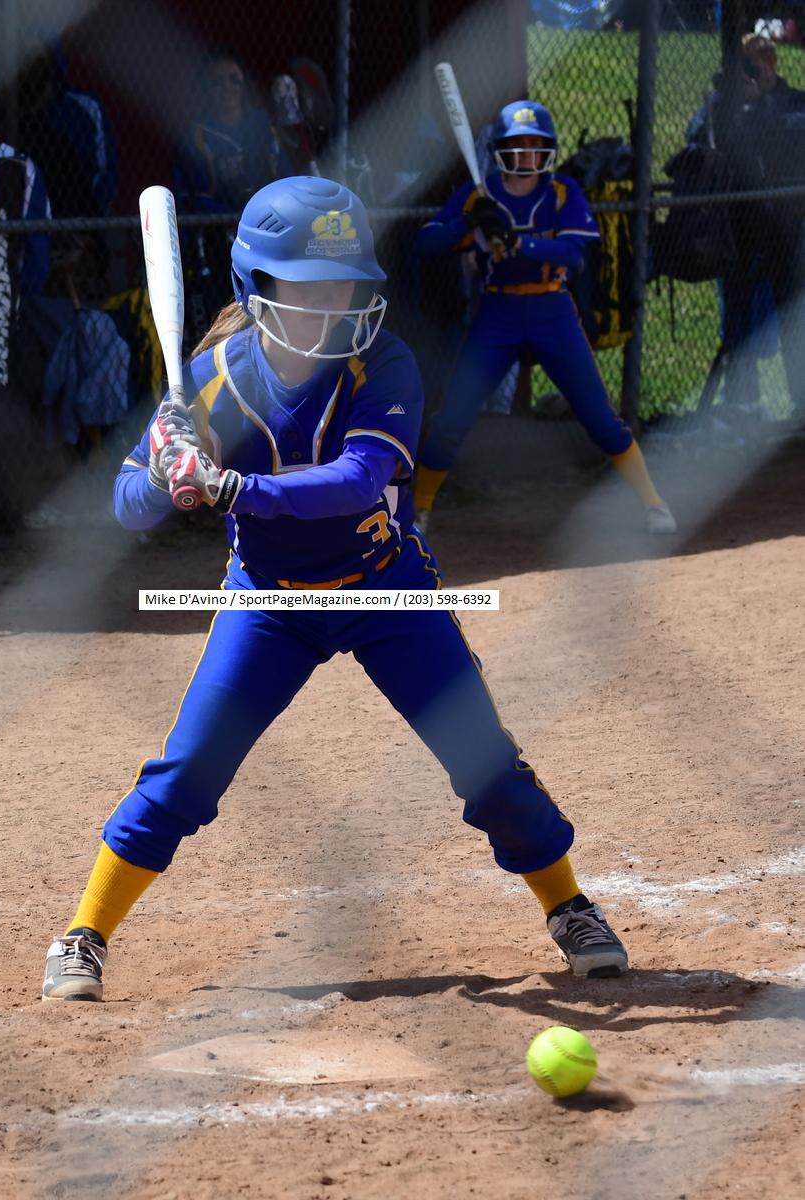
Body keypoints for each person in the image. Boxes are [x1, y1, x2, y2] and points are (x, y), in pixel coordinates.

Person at [40, 175, 630, 1002]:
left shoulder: (381, 363)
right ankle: (84, 933)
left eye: (344, 285)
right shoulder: (210, 380)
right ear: (257, 286)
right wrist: (167, 474)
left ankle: (569, 906)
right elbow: (126, 505)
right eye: (308, 286)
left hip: (386, 590)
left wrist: (229, 487)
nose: (332, 303)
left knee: (486, 763)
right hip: (270, 604)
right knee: (188, 771)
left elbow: (357, 482)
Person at [412, 100, 677, 536]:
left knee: (600, 417)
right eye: (518, 146)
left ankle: (653, 503)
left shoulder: (562, 192)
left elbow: (572, 253)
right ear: (500, 150)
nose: (528, 155)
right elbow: (426, 243)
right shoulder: (481, 195)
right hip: (497, 313)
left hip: (552, 310)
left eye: (536, 146)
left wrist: (519, 243)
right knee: (452, 418)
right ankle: (419, 512)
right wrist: (469, 223)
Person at [686, 33, 805, 419]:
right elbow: (695, 138)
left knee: (793, 315)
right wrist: (723, 103)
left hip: (789, 225)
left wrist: (760, 106)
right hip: (739, 225)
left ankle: (800, 403)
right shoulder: (725, 105)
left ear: (772, 63)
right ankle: (743, 401)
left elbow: (789, 141)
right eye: (747, 66)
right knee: (736, 313)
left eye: (760, 63)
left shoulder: (795, 101)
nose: (756, 72)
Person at [172, 49, 292, 346]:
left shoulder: (261, 126)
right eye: (217, 82)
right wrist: (235, 216)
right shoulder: (197, 134)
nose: (227, 88)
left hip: (267, 231)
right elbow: (194, 198)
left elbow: (284, 178)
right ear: (206, 90)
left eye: (233, 80)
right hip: (216, 239)